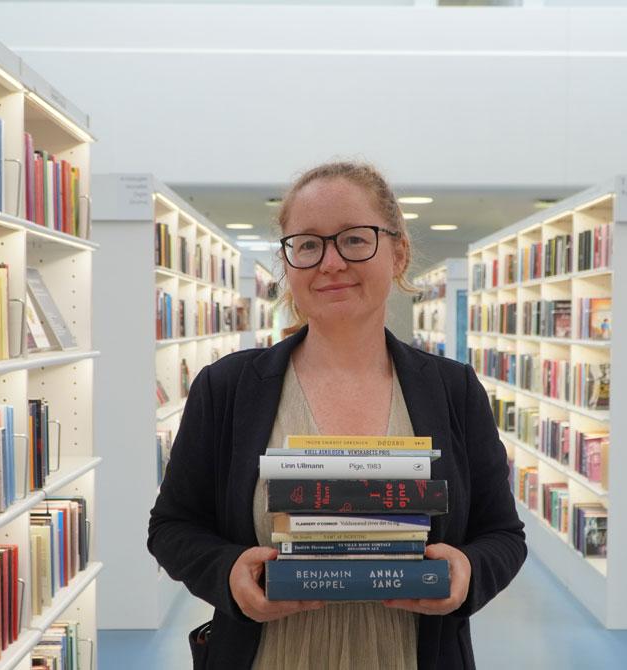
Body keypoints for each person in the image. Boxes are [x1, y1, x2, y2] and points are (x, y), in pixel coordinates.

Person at [147, 161, 528, 669]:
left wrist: (468, 572)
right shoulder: (227, 388)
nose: (330, 263)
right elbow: (172, 527)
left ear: (398, 252)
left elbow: (503, 535)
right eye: (307, 244)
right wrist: (229, 571)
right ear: (288, 263)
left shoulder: (453, 389)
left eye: (353, 239)